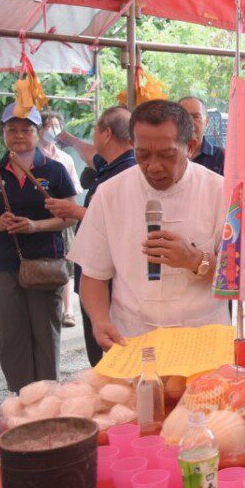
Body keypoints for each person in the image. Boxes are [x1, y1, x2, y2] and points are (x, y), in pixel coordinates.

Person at [69, 100, 228, 349]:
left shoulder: (220, 192)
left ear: (190, 146)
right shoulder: (109, 193)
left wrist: (195, 260)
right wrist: (99, 321)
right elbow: (93, 275)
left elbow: (241, 280)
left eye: (167, 155)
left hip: (202, 339)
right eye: (142, 154)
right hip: (132, 338)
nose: (153, 166)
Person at [0, 106, 77, 391]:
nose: (18, 135)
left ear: (38, 133)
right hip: (0, 264)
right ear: (3, 133)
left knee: (45, 332)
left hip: (45, 262)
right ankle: (23, 397)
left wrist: (35, 226)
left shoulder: (55, 170)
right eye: (11, 130)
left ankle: (48, 396)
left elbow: (70, 216)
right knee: (11, 335)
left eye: (26, 130)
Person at [43, 107, 135, 366]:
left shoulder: (128, 171)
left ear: (106, 133)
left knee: (109, 349)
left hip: (110, 278)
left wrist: (74, 211)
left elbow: (123, 221)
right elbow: (89, 154)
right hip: (92, 272)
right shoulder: (111, 162)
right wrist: (69, 139)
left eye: (95, 130)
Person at [40, 112, 81, 328]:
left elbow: (75, 189)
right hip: (39, 218)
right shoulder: (32, 157)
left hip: (63, 219)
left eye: (56, 126)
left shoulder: (65, 159)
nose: (53, 130)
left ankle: (68, 309)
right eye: (48, 126)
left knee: (64, 263)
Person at [178, 96, 225, 175]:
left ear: (206, 122)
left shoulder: (222, 157)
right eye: (183, 116)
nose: (189, 122)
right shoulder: (166, 154)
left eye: (196, 117)